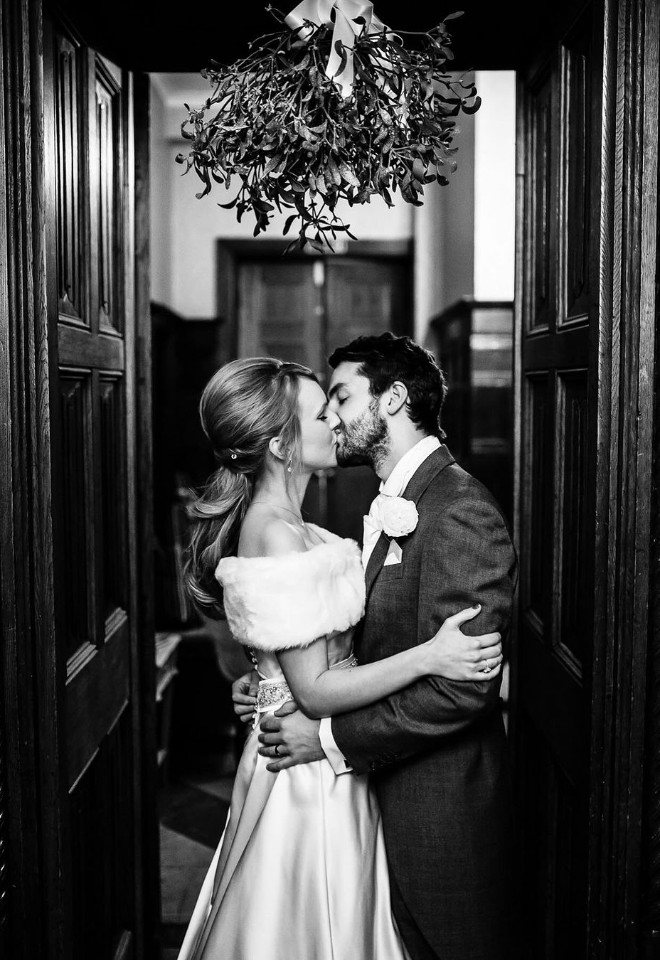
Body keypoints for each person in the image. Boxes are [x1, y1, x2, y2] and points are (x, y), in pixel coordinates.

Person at [176, 355, 504, 960]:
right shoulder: (276, 530)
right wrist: (431, 656)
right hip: (305, 768)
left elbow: (311, 657)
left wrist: (266, 679)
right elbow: (317, 691)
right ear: (281, 443)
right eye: (317, 409)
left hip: (327, 750)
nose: (330, 418)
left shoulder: (306, 523)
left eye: (337, 401)